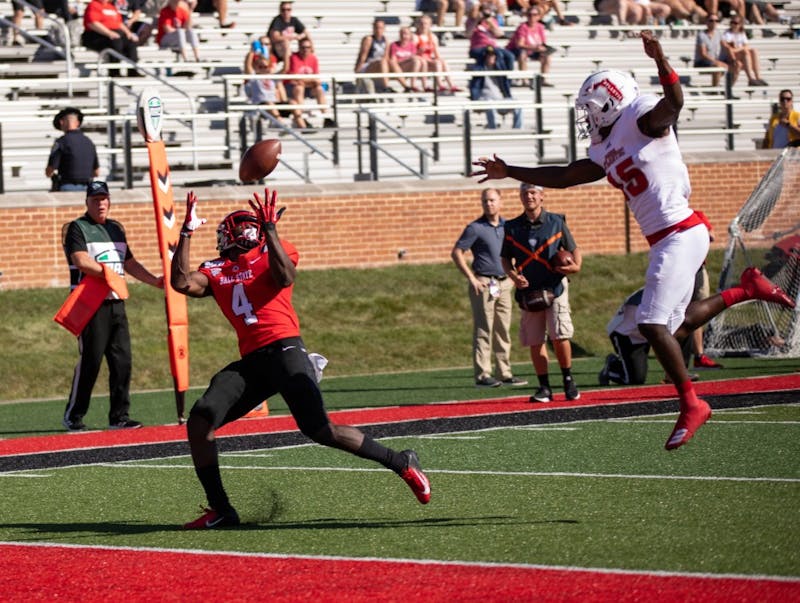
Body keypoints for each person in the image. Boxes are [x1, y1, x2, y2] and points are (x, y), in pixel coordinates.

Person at [473, 31, 796, 449]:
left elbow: (674, 104)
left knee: (649, 323)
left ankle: (692, 403)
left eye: (592, 109)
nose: (589, 119)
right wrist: (511, 170)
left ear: (611, 101)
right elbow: (568, 176)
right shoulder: (607, 143)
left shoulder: (639, 116)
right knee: (674, 325)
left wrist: (661, 59)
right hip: (672, 237)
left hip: (679, 231)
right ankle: (746, 289)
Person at [170, 189, 431, 528]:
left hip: (285, 350)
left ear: (243, 233)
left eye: (227, 230)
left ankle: (401, 461)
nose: (221, 237)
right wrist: (185, 233)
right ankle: (222, 509)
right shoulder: (217, 268)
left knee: (320, 429)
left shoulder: (272, 252)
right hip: (253, 361)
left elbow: (285, 277)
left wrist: (271, 230)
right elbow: (179, 282)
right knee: (201, 419)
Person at [62, 181, 163, 431]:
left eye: (104, 198)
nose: (101, 203)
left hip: (116, 302)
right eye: (96, 199)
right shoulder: (78, 228)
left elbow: (130, 263)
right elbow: (81, 261)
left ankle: (119, 416)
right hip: (91, 304)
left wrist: (155, 281)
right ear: (87, 202)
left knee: (122, 361)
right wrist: (108, 274)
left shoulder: (116, 228)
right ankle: (74, 415)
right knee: (91, 361)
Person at [500, 183, 581, 403]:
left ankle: (568, 380)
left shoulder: (557, 221)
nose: (529, 196)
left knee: (560, 335)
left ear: (542, 196)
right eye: (525, 193)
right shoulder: (512, 227)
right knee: (535, 340)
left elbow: (573, 249)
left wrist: (575, 266)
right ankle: (544, 387)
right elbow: (505, 258)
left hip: (555, 286)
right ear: (520, 197)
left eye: (533, 192)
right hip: (530, 289)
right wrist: (514, 276)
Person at [451, 188, 527, 388]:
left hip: (504, 284)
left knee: (503, 329)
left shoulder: (507, 226)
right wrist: (472, 279)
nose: (489, 204)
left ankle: (504, 372)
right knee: (484, 329)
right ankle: (483, 375)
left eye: (492, 200)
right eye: (485, 201)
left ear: (500, 201)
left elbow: (515, 252)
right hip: (484, 284)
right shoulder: (475, 228)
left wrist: (515, 275)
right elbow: (457, 252)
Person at [46, 107, 100, 192]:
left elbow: (50, 170)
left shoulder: (61, 142)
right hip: (88, 189)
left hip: (66, 188)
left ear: (61, 122)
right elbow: (96, 172)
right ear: (78, 123)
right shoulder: (89, 142)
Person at [284, 39, 335, 130]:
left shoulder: (313, 58)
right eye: (303, 47)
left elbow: (316, 78)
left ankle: (326, 117)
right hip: (292, 88)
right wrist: (309, 80)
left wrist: (306, 80)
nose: (305, 50)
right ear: (299, 48)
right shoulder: (293, 58)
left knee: (319, 89)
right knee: (299, 88)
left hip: (306, 87)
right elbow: (295, 78)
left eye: (308, 47)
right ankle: (302, 117)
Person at [468, 46, 523, 129]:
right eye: (488, 56)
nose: (491, 58)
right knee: (490, 104)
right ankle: (492, 128)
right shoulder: (479, 69)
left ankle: (517, 129)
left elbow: (510, 56)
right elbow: (473, 52)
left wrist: (496, 48)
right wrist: (486, 48)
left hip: (499, 99)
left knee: (517, 104)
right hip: (484, 99)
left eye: (493, 56)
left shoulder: (500, 69)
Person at [81, 0, 140, 76]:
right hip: (96, 35)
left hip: (114, 33)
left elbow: (119, 23)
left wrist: (128, 33)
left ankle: (133, 70)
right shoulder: (93, 5)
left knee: (131, 42)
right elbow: (92, 23)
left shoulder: (111, 6)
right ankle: (114, 72)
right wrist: (109, 33)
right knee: (116, 41)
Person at [506, 6, 556, 85]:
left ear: (539, 16)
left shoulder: (540, 27)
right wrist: (535, 47)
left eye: (535, 15)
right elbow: (520, 44)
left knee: (547, 56)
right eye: (530, 15)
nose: (532, 17)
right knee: (522, 54)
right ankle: (524, 80)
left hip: (532, 50)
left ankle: (543, 79)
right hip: (516, 50)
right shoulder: (523, 27)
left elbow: (542, 42)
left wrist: (542, 48)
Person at [244, 44, 290, 125]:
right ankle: (281, 124)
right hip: (260, 104)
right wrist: (251, 52)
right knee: (269, 103)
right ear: (256, 67)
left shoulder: (272, 77)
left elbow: (285, 68)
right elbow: (247, 65)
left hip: (274, 103)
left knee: (293, 103)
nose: (263, 69)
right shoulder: (254, 77)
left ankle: (302, 124)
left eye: (265, 67)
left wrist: (286, 52)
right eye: (260, 67)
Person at [414, 15, 460, 93]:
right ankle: (440, 84)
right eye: (421, 23)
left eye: (425, 24)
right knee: (435, 62)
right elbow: (412, 54)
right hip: (420, 61)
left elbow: (436, 53)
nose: (423, 26)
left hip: (428, 60)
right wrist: (420, 51)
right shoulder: (415, 37)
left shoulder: (433, 37)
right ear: (418, 25)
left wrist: (439, 59)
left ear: (429, 25)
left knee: (442, 61)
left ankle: (451, 85)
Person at [720, 17, 768, 87]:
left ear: (740, 25)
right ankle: (750, 78)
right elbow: (729, 49)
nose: (733, 25)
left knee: (753, 51)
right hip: (729, 57)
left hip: (738, 54)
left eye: (736, 23)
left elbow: (745, 46)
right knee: (745, 52)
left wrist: (739, 49)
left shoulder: (741, 33)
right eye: (732, 23)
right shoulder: (727, 34)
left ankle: (758, 77)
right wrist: (741, 49)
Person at [354, 19, 391, 93]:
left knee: (389, 62)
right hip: (367, 65)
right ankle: (386, 87)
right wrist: (357, 71)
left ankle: (407, 87)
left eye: (380, 28)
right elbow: (363, 56)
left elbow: (386, 56)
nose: (378, 30)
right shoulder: (369, 39)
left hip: (380, 65)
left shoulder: (386, 40)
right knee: (382, 61)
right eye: (376, 27)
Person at [389, 26, 426, 93]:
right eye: (402, 34)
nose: (404, 36)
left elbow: (414, 57)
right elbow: (393, 61)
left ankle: (423, 85)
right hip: (399, 67)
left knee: (420, 61)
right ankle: (412, 85)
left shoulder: (412, 45)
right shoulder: (394, 45)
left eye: (406, 34)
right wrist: (407, 59)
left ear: (410, 35)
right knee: (416, 61)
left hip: (409, 66)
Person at [693, 15, 727, 87]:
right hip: (702, 62)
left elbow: (725, 46)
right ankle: (715, 90)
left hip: (712, 61)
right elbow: (703, 54)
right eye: (711, 20)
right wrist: (717, 61)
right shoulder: (701, 35)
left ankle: (727, 89)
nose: (714, 22)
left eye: (716, 21)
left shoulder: (718, 33)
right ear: (706, 22)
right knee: (718, 66)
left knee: (736, 65)